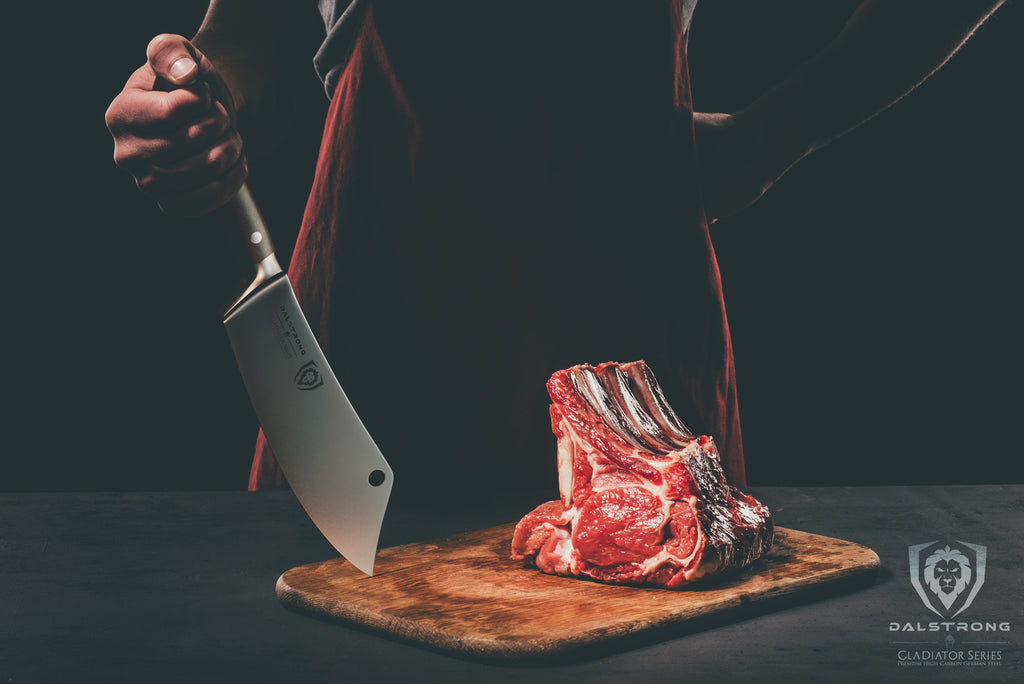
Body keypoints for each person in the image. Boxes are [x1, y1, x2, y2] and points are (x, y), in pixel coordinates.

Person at [106, 0, 1004, 504]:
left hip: (623, 311)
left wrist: (772, 138)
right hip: (374, 310)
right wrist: (194, 94)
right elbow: (251, 27)